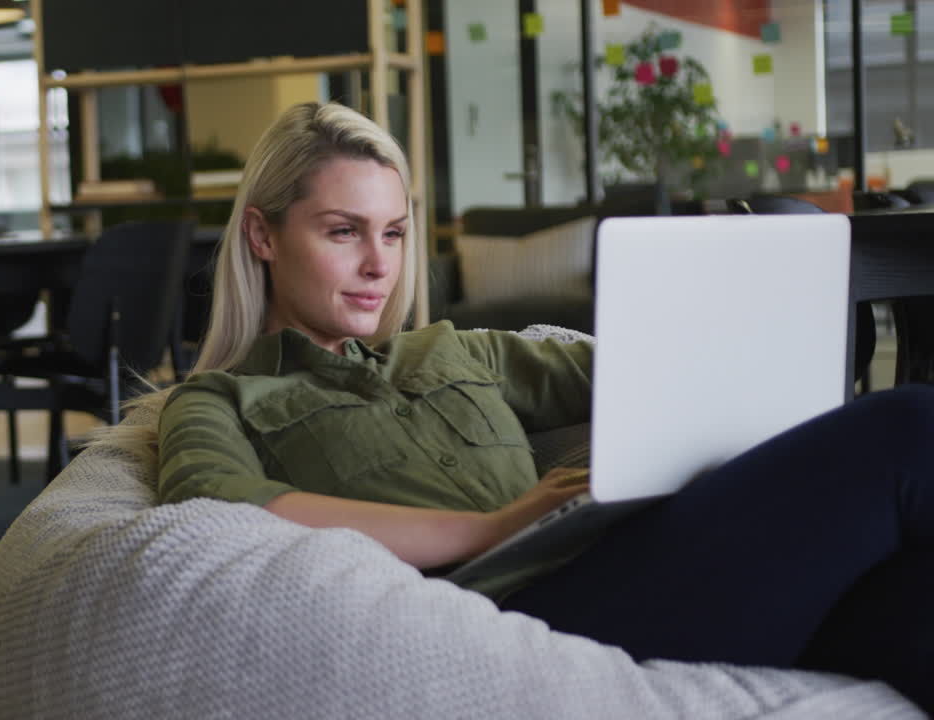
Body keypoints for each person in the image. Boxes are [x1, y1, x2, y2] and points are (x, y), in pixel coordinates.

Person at [93, 101, 933, 713]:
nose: (379, 265)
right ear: (264, 237)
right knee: (906, 423)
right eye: (343, 231)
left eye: (393, 233)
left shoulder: (453, 350)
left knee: (911, 597)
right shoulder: (218, 398)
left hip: (633, 549)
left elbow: (646, 370)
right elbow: (222, 504)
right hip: (525, 605)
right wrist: (494, 526)